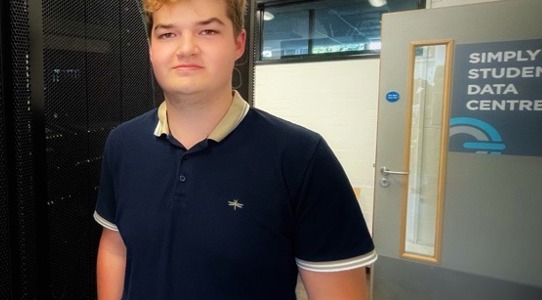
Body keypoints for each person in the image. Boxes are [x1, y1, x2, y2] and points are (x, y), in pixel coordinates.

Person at [93, 0, 376, 298]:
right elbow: (116, 248)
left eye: (208, 32)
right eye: (168, 34)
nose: (186, 48)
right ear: (151, 48)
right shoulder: (123, 144)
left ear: (238, 43)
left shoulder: (302, 157)